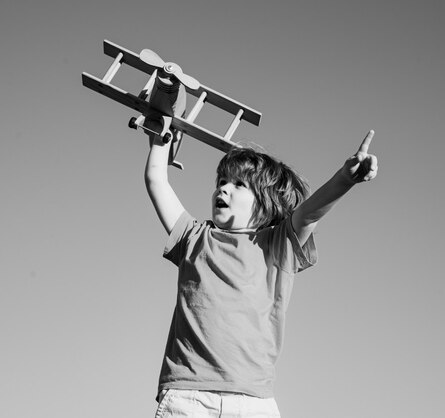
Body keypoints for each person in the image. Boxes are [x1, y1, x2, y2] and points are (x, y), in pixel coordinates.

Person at [145, 130, 378, 417]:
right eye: (221, 182)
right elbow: (157, 181)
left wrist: (345, 179)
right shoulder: (194, 238)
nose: (223, 189)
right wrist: (160, 137)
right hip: (188, 396)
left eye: (239, 184)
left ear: (266, 203)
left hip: (252, 402)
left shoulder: (277, 245)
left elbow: (310, 214)